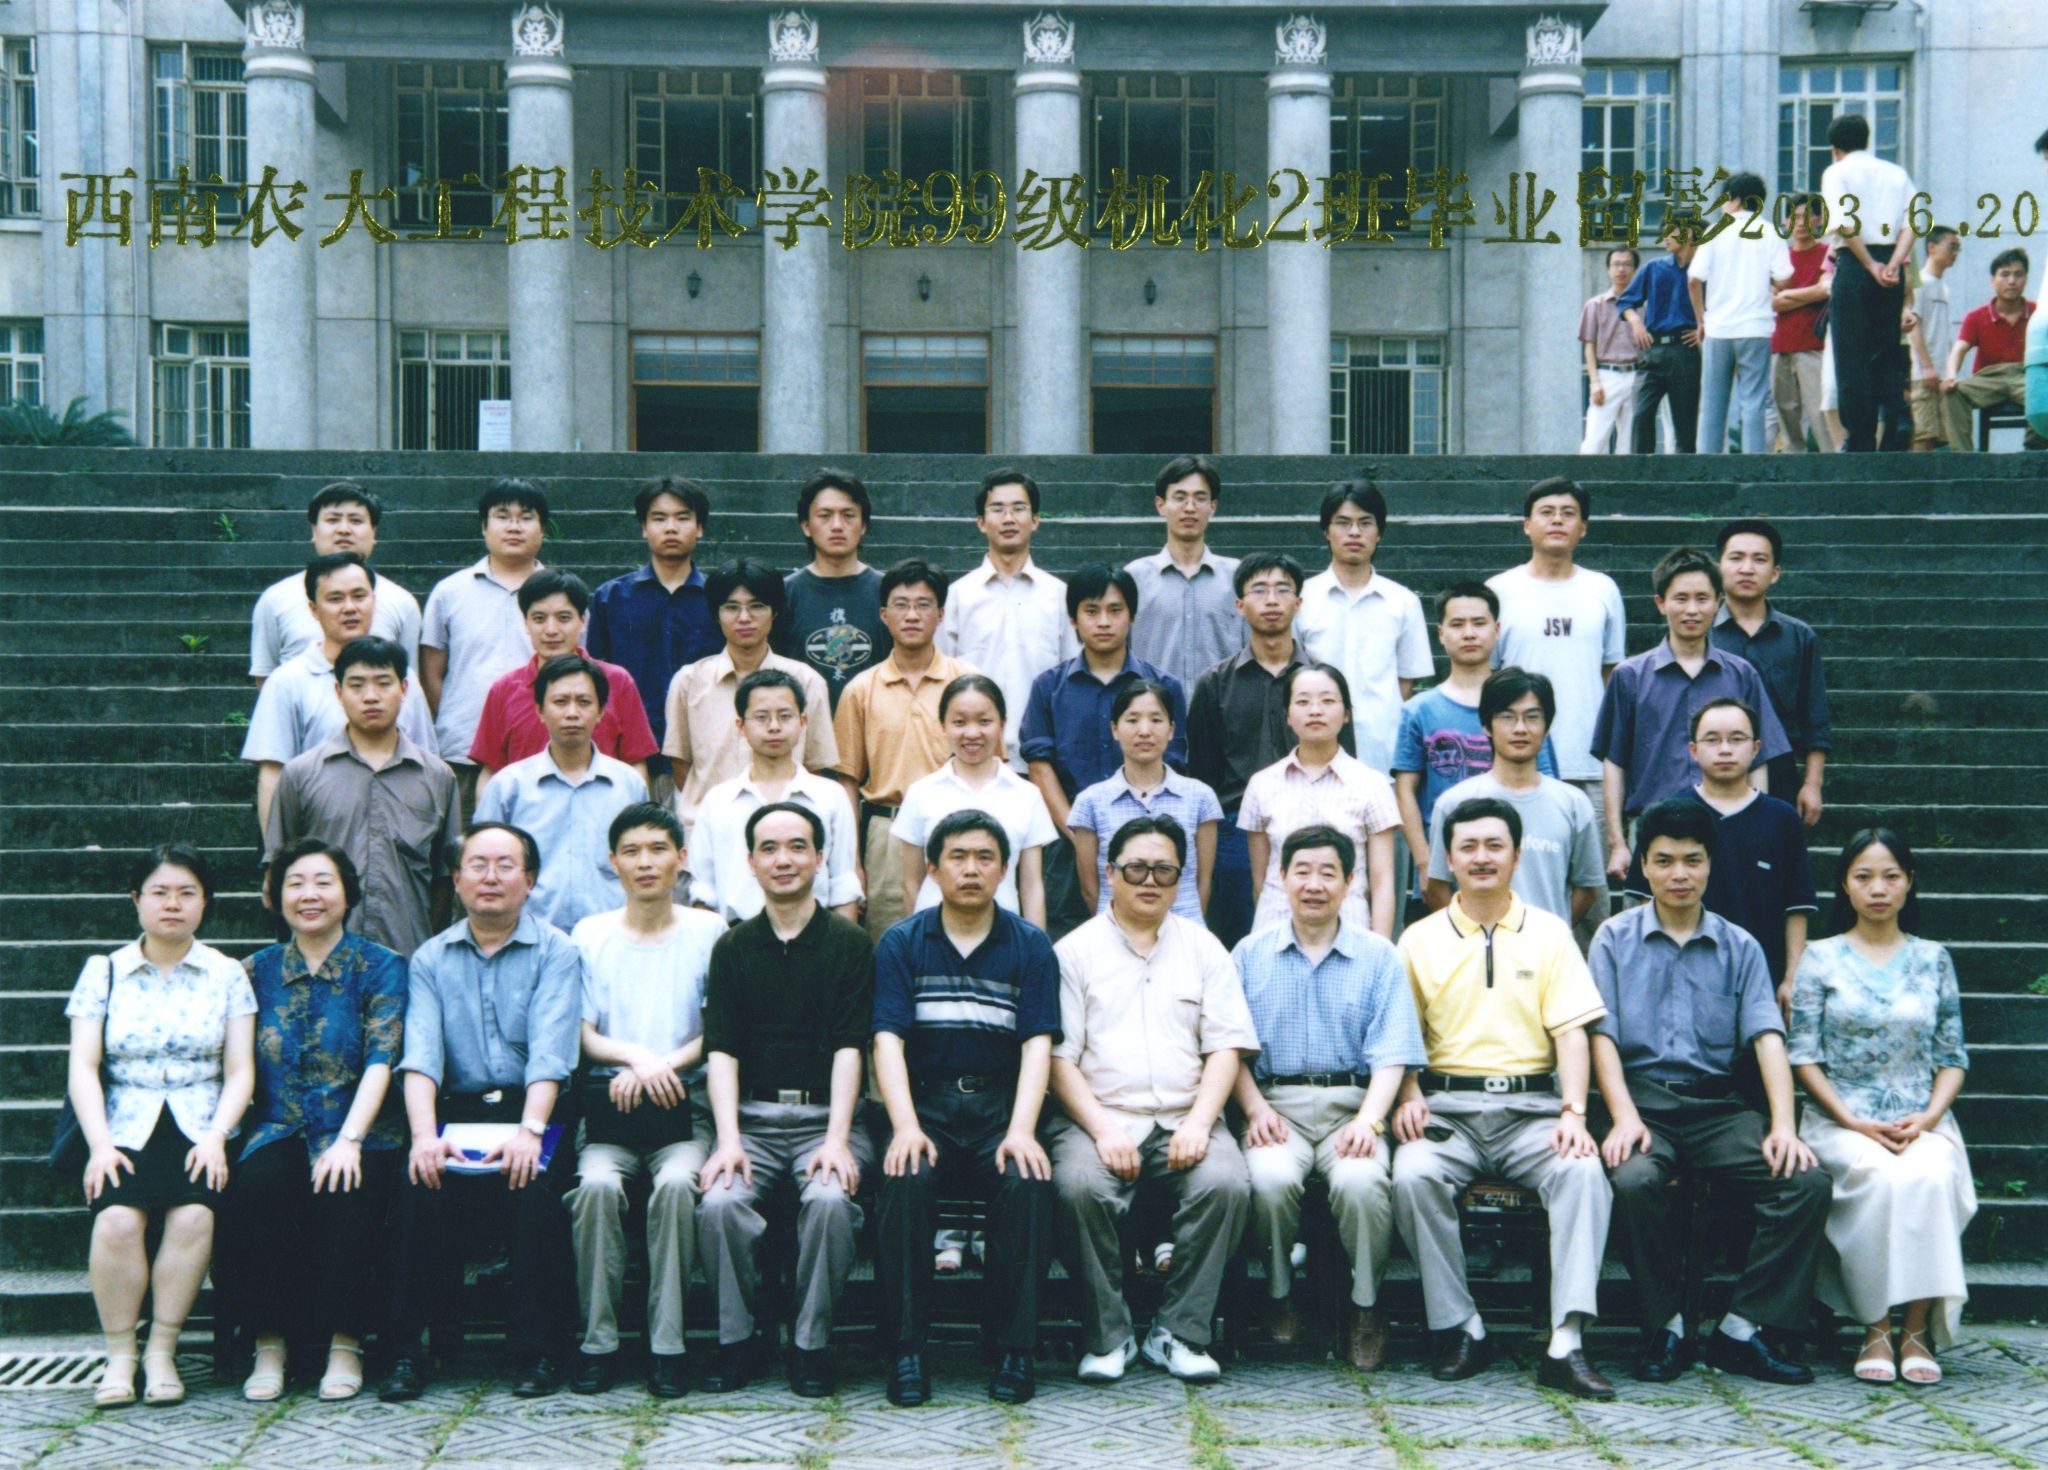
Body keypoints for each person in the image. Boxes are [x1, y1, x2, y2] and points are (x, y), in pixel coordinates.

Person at [1591, 798, 1831, 1387]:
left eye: (1692, 860)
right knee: (1634, 1181)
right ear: (1643, 866)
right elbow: (1600, 1038)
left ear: (1710, 864)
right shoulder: (1613, 939)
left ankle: (1741, 1330)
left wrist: (1783, 1125)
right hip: (1643, 1103)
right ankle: (1665, 1325)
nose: (1679, 874)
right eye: (1664, 861)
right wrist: (1622, 1116)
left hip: (1719, 1109)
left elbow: (1767, 1037)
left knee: (1803, 1183)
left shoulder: (1740, 946)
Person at [1389, 798, 1614, 1399]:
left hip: (1533, 1111)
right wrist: (1408, 1093)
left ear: (1516, 855)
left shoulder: (1550, 932)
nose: (1481, 857)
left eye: (1495, 846)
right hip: (1447, 1110)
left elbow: (1572, 1031)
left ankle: (1566, 1340)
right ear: (1448, 858)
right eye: (1468, 847)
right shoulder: (1418, 940)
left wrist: (1574, 1111)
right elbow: (1399, 1034)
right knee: (1412, 1175)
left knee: (1583, 1172)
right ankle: (1461, 1326)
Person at [1049, 815, 1259, 1384]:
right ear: (1109, 872)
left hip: (1184, 1115)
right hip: (1097, 1117)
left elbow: (1225, 1047)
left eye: (1164, 870)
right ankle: (1108, 1336)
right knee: (1079, 1187)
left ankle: (1179, 1332)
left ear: (1180, 877)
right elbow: (1058, 1060)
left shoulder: (1204, 948)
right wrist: (1103, 1130)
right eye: (1136, 868)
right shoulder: (1073, 952)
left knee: (1225, 1183)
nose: (1149, 880)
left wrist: (1200, 1122)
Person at [380, 823, 583, 1403]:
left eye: (505, 865)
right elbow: (421, 1057)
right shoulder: (430, 958)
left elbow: (550, 1055)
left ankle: (538, 1351)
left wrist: (530, 1132)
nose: (490, 877)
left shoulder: (557, 951)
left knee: (534, 1185)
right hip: (455, 1111)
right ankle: (406, 1352)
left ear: (530, 879)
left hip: (533, 1108)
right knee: (416, 1182)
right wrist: (424, 1136)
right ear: (456, 878)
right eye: (477, 865)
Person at [870, 810, 1061, 1407]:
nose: (971, 869)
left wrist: (1022, 1130)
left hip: (1001, 1108)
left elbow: (1038, 1044)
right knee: (904, 1178)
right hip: (926, 1105)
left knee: (1026, 1179)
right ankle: (906, 1349)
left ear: (1004, 870)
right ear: (932, 869)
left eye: (985, 858)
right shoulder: (903, 943)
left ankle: (1012, 1347)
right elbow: (887, 1040)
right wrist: (905, 1127)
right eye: (957, 857)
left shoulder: (1030, 945)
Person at [695, 804, 875, 1399]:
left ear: (820, 858)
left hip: (829, 1118)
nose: (783, 860)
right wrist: (727, 1141)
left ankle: (809, 1343)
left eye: (797, 846)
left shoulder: (850, 944)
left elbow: (850, 1047)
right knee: (720, 1203)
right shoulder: (733, 947)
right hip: (752, 1120)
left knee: (829, 1199)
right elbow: (722, 1051)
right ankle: (737, 1339)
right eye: (769, 849)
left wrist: (837, 1141)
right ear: (750, 862)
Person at [66, 845, 256, 1409]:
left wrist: (217, 1136)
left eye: (187, 893)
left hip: (201, 1124)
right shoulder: (104, 970)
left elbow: (240, 1070)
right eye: (160, 892)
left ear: (205, 903)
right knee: (117, 1221)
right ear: (137, 900)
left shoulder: (227, 973)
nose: (173, 904)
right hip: (124, 1125)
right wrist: (100, 1145)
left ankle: (162, 1351)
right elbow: (84, 1067)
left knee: (195, 1215)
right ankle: (121, 1355)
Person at [1231, 824, 1425, 1370]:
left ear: (1349, 881)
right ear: (1281, 877)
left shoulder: (1378, 956)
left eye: (1328, 873)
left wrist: (1370, 1120)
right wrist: (1255, 1108)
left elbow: (1392, 1054)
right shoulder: (1249, 954)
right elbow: (1227, 1048)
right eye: (1302, 871)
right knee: (1269, 1180)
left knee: (1361, 1183)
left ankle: (1365, 1307)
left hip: (1353, 1106)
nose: (1314, 884)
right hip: (1276, 1107)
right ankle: (1278, 1294)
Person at [1789, 829, 1976, 1385]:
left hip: (1922, 1119)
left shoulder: (1933, 959)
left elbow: (1953, 1057)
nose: (1878, 888)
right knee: (1881, 1179)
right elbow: (1804, 1056)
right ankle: (1874, 1326)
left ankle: (1914, 1330)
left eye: (1891, 876)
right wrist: (1851, 1120)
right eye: (1864, 876)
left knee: (1930, 1175)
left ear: (1909, 882)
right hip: (1840, 1120)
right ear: (1845, 885)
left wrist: (1930, 1118)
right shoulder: (1820, 958)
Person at [222, 840, 403, 1404]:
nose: (310, 894)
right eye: (295, 883)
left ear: (348, 893)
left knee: (348, 1188)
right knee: (258, 1188)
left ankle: (346, 1343)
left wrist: (349, 1139)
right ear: (276, 897)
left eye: (324, 882)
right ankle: (269, 1344)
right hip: (278, 1126)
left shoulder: (380, 966)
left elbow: (381, 1059)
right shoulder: (253, 971)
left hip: (358, 1129)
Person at [565, 803, 727, 1399]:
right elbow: (582, 1032)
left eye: (658, 849)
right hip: (611, 1108)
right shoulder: (590, 934)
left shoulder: (709, 931)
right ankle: (598, 1343)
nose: (645, 862)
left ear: (681, 858)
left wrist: (665, 1065)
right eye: (631, 851)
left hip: (686, 1106)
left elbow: (721, 1029)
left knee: (679, 1186)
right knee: (595, 1189)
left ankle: (668, 1344)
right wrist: (635, 1058)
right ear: (613, 862)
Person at [1592, 547, 1789, 877]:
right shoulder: (1629, 677)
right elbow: (1614, 762)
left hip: (1729, 823)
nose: (1692, 610)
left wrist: (1755, 827)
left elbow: (1759, 758)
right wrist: (1618, 843)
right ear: (1660, 603)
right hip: (1653, 826)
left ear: (1718, 602)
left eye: (1702, 599)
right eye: (1680, 599)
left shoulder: (1742, 675)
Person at [1487, 478, 1626, 937]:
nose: (1557, 521)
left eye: (1569, 513)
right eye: (1546, 512)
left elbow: (1613, 676)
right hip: (1517, 762)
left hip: (1588, 762)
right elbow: (1488, 678)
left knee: (1592, 894)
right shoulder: (1500, 590)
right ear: (1527, 524)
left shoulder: (1602, 589)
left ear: (1583, 527)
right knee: (1517, 881)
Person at [263, 636, 461, 957]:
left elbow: (445, 879)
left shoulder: (437, 778)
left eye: (384, 683)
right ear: (338, 692)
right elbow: (279, 872)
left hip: (407, 955)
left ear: (404, 689)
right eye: (356, 685)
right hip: (320, 959)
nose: (370, 696)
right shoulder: (301, 774)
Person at [1021, 565, 1187, 937]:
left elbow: (1172, 762)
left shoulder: (1163, 687)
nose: (1104, 622)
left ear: (1132, 616)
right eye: (1091, 611)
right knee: (1067, 941)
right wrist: (1079, 832)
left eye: (1115, 610)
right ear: (1073, 619)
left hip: (1147, 847)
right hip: (1066, 845)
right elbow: (1039, 766)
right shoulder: (1048, 687)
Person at [1622, 698, 1816, 999]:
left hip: (1762, 979)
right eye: (1712, 740)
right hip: (1679, 979)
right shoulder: (1667, 813)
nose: (1725, 749)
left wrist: (1791, 978)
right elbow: (1644, 902)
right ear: (1693, 750)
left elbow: (1796, 907)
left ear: (1756, 748)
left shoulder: (1782, 819)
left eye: (1737, 739)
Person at [831, 559, 977, 940]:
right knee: (891, 941)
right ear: (884, 615)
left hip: (959, 827)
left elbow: (990, 766)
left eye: (923, 605)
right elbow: (847, 782)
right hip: (887, 833)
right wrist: (853, 862)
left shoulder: (968, 682)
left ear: (940, 615)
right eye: (901, 605)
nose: (912, 615)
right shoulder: (860, 689)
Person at [241, 553, 437, 832]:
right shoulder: (286, 681)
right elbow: (273, 775)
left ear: (374, 601)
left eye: (359, 596)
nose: (349, 608)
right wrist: (276, 852)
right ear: (313, 609)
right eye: (335, 599)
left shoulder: (404, 678)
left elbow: (426, 765)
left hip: (395, 837)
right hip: (318, 838)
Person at [1393, 583, 1557, 909]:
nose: (1469, 633)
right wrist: (1425, 862)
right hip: (1445, 865)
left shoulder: (1522, 706)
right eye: (1457, 624)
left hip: (1514, 864)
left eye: (1479, 623)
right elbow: (1405, 790)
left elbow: (1546, 787)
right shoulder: (1419, 710)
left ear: (1496, 630)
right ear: (1441, 634)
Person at [1187, 553, 1309, 951]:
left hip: (1308, 823)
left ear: (1298, 602)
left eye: (1282, 590)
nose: (1271, 600)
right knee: (1237, 944)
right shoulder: (1214, 684)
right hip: (1235, 831)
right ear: (1240, 605)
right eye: (1259, 590)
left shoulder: (1321, 682)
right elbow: (1202, 775)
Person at [474, 655, 650, 932]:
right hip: (529, 936)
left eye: (584, 702)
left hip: (611, 936)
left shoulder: (629, 785)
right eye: (560, 702)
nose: (572, 713)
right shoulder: (508, 787)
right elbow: (482, 866)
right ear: (540, 711)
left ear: (601, 711)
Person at [663, 557, 836, 833]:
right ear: (716, 614)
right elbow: (681, 766)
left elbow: (814, 766)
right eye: (732, 607)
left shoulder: (806, 681)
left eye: (757, 606)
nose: (744, 618)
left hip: (784, 833)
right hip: (709, 831)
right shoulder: (689, 681)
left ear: (774, 612)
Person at [1425, 669, 1606, 930]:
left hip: (1547, 951)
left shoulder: (1574, 804)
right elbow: (1436, 886)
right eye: (1507, 717)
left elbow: (1587, 889)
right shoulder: (1455, 802)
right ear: (1487, 725)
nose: (1520, 728)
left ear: (1546, 727)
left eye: (1532, 717)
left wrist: (1550, 935)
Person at [586, 476, 723, 803]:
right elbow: (595, 678)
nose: (671, 528)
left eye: (682, 518)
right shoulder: (611, 598)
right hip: (630, 756)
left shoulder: (720, 599)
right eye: (659, 518)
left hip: (705, 755)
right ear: (644, 528)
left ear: (700, 528)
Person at [689, 669, 862, 925]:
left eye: (785, 716)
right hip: (735, 935)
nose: (774, 727)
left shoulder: (830, 796)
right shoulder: (718, 801)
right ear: (741, 726)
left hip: (815, 935)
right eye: (761, 717)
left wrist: (841, 944)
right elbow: (704, 890)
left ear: (803, 722)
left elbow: (843, 884)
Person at [1240, 663, 1399, 939]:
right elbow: (1260, 880)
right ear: (1287, 715)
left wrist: (1381, 949)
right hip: (1275, 931)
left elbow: (1382, 882)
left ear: (1346, 714)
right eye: (1303, 702)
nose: (1315, 710)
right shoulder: (1262, 784)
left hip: (1351, 932)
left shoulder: (1372, 785)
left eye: (1328, 701)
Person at [420, 478, 549, 813]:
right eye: (502, 516)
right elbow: (432, 673)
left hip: (542, 750)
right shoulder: (450, 592)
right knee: (464, 842)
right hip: (463, 751)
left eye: (526, 517)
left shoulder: (561, 595)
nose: (514, 527)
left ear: (542, 529)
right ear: (484, 526)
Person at [470, 570, 658, 796]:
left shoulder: (618, 681)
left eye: (564, 618)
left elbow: (635, 763)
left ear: (583, 621)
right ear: (526, 623)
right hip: (526, 813)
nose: (551, 630)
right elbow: (491, 771)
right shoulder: (504, 689)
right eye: (539, 618)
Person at [938, 468, 1076, 772]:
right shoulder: (958, 595)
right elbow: (941, 680)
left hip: (1042, 760)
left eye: (1019, 508)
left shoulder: (1059, 595)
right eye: (998, 509)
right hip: (972, 758)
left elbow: (1070, 680)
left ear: (1035, 520)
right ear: (981, 522)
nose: (1009, 518)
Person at [1294, 479, 1432, 775]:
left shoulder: (1403, 602)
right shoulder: (1301, 600)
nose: (1354, 532)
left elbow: (1405, 684)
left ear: (1379, 533)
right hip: (1316, 752)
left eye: (1365, 523)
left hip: (1384, 752)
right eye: (1343, 523)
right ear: (1326, 531)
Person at [895, 675, 1058, 926]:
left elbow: (1032, 886)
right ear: (943, 725)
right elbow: (911, 883)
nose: (972, 733)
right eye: (959, 722)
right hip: (934, 934)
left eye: (984, 721)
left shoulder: (1027, 794)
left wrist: (1036, 944)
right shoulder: (921, 793)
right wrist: (917, 940)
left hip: (1003, 933)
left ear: (1002, 724)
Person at [1068, 679, 1222, 922]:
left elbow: (1203, 881)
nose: (1144, 731)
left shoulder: (1201, 797)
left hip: (1185, 929)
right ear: (1114, 729)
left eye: (1156, 720)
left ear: (1171, 729)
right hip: (1115, 932)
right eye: (1132, 720)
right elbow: (1090, 888)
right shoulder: (1090, 802)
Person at [1712, 520, 1832, 823]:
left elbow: (1814, 717)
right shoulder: (1700, 633)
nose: (1747, 568)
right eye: (1736, 558)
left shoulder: (1799, 637)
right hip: (1711, 764)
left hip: (1779, 767)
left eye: (1759, 559)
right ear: (1719, 567)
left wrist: (1812, 785)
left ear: (1775, 573)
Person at [249, 482, 420, 682]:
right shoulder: (275, 599)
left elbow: (408, 679)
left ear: (374, 532)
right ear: (314, 530)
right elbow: (266, 678)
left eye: (356, 520)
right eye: (332, 520)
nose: (344, 530)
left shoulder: (402, 602)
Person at [1819, 113, 1918, 451]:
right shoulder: (1896, 173)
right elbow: (1913, 224)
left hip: (1854, 264)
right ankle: (1896, 421)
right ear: (1867, 140)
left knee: (1851, 353)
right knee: (1887, 348)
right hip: (1891, 262)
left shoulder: (1836, 172)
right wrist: (1892, 264)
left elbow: (1845, 225)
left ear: (1835, 149)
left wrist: (1869, 264)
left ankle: (1860, 436)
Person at [1689, 170, 1794, 454]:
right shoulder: (1771, 232)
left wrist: (1701, 319)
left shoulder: (1714, 231)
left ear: (1735, 200)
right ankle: (1752, 465)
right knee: (1753, 402)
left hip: (1718, 328)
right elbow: (1784, 279)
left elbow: (1694, 280)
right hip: (1756, 328)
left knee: (1712, 403)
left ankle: (1707, 464)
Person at [1125, 454, 1244, 692]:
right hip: (1154, 711)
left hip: (1221, 711)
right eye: (1179, 498)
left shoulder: (1237, 577)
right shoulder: (1135, 577)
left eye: (1200, 498)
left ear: (1213, 506)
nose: (1189, 508)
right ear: (1160, 505)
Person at [776, 469, 890, 711]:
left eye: (848, 515)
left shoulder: (889, 593)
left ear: (863, 525)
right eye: (825, 515)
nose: (837, 525)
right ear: (806, 526)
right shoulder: (784, 594)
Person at [1942, 247, 2044, 450]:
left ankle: (2034, 452)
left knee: (2045, 393)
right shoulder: (1976, 316)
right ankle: (1963, 458)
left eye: (2018, 274)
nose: (2012, 281)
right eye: (2005, 274)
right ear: (1993, 280)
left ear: (2025, 278)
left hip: (2025, 377)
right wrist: (1951, 376)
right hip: (1988, 378)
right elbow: (1959, 349)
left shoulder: (2039, 313)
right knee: (1953, 394)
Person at [1618, 219, 1702, 454]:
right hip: (1652, 351)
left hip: (1685, 351)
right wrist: (1636, 323)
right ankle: (1641, 471)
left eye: (1670, 232)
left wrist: (1702, 329)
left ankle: (1685, 473)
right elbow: (1625, 302)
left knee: (1685, 424)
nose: (1664, 237)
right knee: (1640, 414)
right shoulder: (1654, 267)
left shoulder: (1703, 272)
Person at [1770, 194, 1834, 452]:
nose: (1800, 223)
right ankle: (1792, 470)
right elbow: (1772, 303)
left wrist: (1787, 295)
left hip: (1814, 345)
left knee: (1821, 416)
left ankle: (1834, 469)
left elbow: (1825, 290)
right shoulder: (1779, 258)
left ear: (1818, 219)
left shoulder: (1826, 253)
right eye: (1794, 217)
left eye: (1807, 216)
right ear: (1785, 222)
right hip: (1780, 346)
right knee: (1787, 419)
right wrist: (1810, 293)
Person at [1579, 246, 1642, 454]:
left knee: (1630, 444)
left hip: (1637, 374)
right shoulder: (1595, 305)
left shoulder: (1644, 305)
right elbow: (1589, 346)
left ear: (1635, 269)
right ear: (1608, 269)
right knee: (1594, 443)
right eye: (1616, 264)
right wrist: (1595, 382)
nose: (1621, 269)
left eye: (1627, 264)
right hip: (1606, 376)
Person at [1908, 227, 1961, 451]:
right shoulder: (1920, 283)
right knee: (1924, 434)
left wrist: (1949, 371)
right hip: (1923, 374)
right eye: (1951, 247)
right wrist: (1927, 366)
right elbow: (1913, 327)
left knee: (1942, 437)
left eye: (1957, 249)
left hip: (1941, 375)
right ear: (1931, 247)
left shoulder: (1944, 287)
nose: (1955, 254)